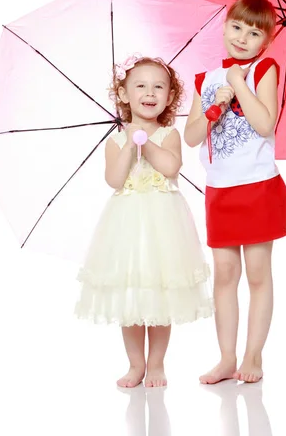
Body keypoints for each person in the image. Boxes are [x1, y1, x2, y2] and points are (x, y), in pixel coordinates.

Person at [75, 54, 213, 388]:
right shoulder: (115, 140)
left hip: (164, 225)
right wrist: (129, 143)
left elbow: (170, 168)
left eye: (158, 87)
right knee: (131, 296)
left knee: (162, 294)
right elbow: (114, 179)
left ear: (168, 97)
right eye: (140, 86)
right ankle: (135, 364)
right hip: (127, 227)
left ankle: (156, 364)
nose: (149, 92)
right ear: (124, 94)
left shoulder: (168, 134)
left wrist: (146, 142)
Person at [184, 0, 286, 384]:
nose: (243, 37)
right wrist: (215, 108)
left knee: (258, 273)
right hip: (220, 190)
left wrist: (237, 85)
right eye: (237, 27)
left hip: (259, 187)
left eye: (254, 31)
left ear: (266, 40)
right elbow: (191, 135)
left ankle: (253, 356)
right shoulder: (204, 79)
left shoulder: (264, 69)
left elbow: (265, 124)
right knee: (225, 274)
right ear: (225, 26)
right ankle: (227, 357)